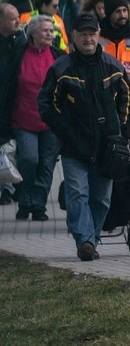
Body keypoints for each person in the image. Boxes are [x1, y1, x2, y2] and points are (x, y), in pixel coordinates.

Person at [38, 13, 130, 261]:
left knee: (101, 199)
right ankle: (85, 241)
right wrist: (65, 131)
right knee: (77, 194)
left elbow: (126, 98)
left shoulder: (114, 67)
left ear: (99, 35)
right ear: (74, 37)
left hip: (107, 146)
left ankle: (91, 237)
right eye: (83, 34)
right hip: (74, 147)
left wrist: (122, 132)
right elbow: (47, 105)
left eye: (92, 33)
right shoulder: (61, 69)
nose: (88, 38)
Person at [8, 15, 65, 220]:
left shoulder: (59, 56)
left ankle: (38, 206)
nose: (50, 34)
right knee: (29, 160)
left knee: (47, 164)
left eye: (52, 30)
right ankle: (25, 200)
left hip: (51, 122)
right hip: (24, 120)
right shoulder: (19, 55)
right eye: (45, 30)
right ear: (32, 33)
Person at [0, 3, 27, 205]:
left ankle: (9, 187)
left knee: (10, 146)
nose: (18, 21)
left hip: (15, 104)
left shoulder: (22, 42)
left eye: (18, 16)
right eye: (12, 18)